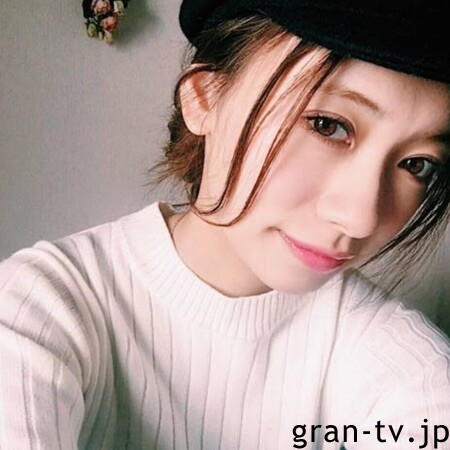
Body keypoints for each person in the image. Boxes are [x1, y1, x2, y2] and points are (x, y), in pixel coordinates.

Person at [0, 0, 449, 448]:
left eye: (418, 164)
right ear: (204, 98)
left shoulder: (403, 364)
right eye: (327, 125)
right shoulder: (37, 310)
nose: (362, 217)